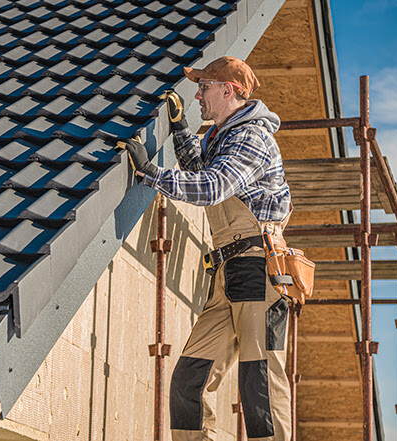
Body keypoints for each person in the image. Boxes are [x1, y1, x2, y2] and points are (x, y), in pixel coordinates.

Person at [123, 56, 292, 441]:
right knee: (189, 380)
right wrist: (180, 128)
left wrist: (152, 174)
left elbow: (213, 187)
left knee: (259, 383)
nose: (198, 94)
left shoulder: (252, 137)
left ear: (228, 90)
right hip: (228, 272)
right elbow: (201, 172)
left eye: (205, 86)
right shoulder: (223, 135)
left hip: (257, 266)